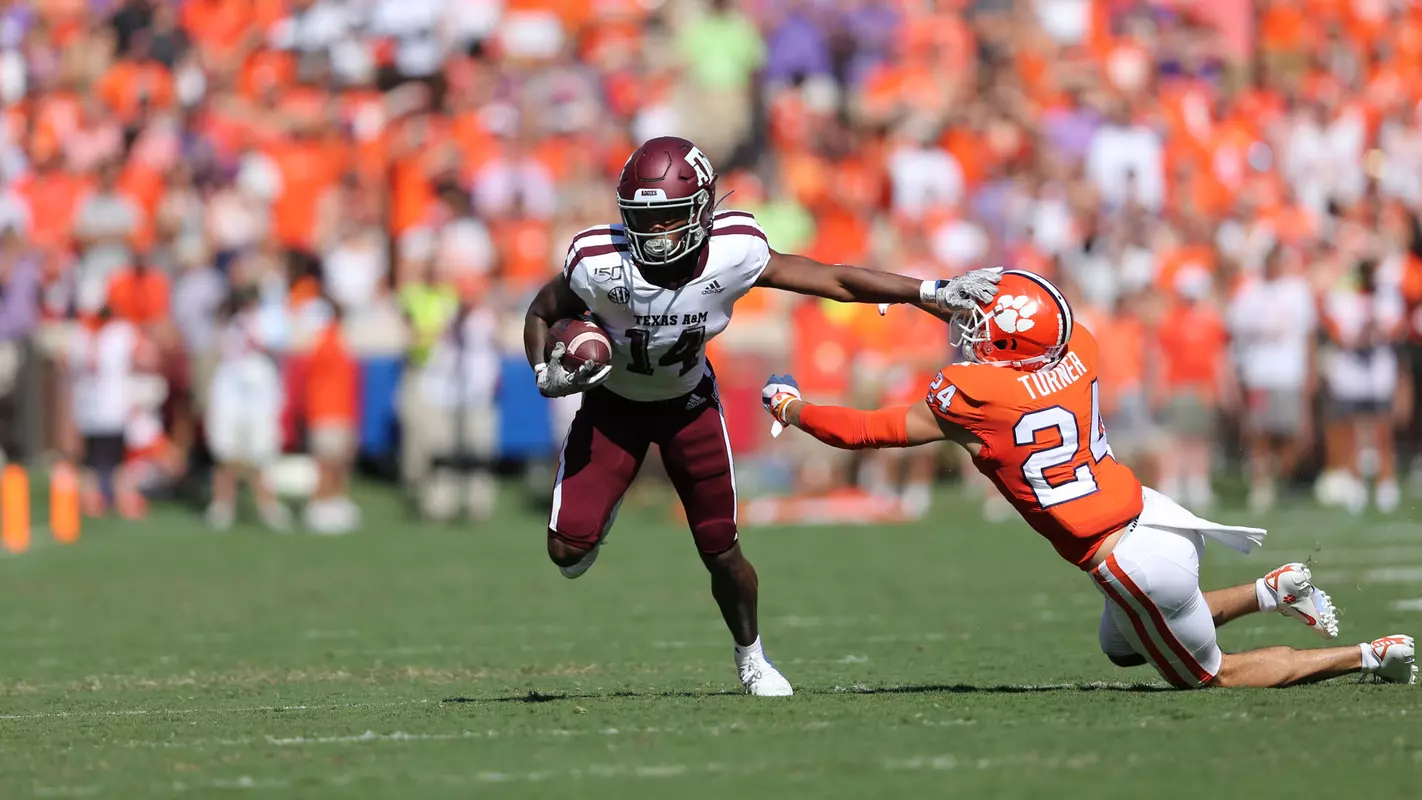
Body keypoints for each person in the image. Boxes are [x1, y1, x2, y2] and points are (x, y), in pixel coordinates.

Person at [761, 269, 1416, 689]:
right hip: (1155, 514)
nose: (971, 332)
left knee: (1210, 677)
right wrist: (952, 301)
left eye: (981, 328)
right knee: (1124, 647)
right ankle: (1274, 590)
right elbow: (1028, 336)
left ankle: (1366, 655)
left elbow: (867, 430)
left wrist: (793, 408)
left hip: (1124, 559)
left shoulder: (976, 396)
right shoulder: (1082, 351)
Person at [522, 136, 996, 696]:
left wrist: (927, 291)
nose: (653, 235)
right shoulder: (597, 259)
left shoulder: (735, 250)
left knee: (721, 549)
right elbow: (541, 311)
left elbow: (832, 278)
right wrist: (543, 371)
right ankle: (603, 508)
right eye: (642, 221)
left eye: (668, 219)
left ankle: (752, 659)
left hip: (687, 406)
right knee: (566, 553)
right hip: (613, 407)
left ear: (700, 212)